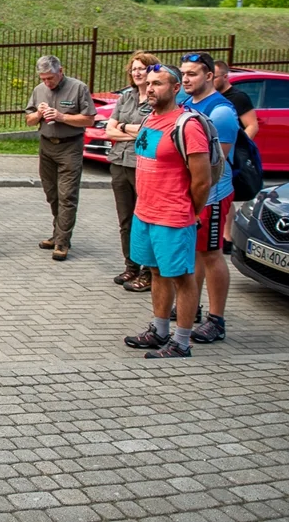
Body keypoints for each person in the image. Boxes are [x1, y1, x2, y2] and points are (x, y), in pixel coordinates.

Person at [124, 65, 211, 358]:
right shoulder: (150, 118)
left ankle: (182, 341)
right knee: (157, 272)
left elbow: (202, 180)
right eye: (148, 83)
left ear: (175, 88)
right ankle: (160, 330)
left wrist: (191, 212)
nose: (150, 88)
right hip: (145, 212)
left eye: (158, 83)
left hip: (173, 217)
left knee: (182, 277)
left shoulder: (187, 126)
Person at [180, 52, 239, 345]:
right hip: (193, 192)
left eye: (192, 74)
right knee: (195, 251)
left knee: (212, 254)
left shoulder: (221, 112)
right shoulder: (188, 104)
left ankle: (217, 320)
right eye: (184, 74)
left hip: (213, 193)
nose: (186, 79)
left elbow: (217, 162)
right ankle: (195, 308)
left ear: (209, 76)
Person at [24, 55, 96, 261]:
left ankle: (63, 241)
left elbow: (90, 119)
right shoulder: (39, 90)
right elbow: (28, 120)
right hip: (46, 146)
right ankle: (57, 233)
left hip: (70, 146)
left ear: (60, 71)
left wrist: (62, 116)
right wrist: (38, 114)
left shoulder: (78, 88)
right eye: (43, 78)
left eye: (51, 78)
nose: (47, 82)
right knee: (52, 193)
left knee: (67, 195)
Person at [103, 51, 160, 292]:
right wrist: (132, 130)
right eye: (134, 68)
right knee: (125, 219)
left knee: (145, 220)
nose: (137, 72)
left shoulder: (158, 99)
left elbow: (153, 132)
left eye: (143, 68)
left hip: (143, 167)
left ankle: (149, 272)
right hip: (119, 163)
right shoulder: (126, 98)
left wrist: (123, 129)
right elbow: (109, 130)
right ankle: (131, 265)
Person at [213, 60, 259, 256]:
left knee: (226, 193)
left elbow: (252, 125)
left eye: (213, 76)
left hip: (229, 156)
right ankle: (224, 236)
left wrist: (237, 147)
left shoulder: (238, 97)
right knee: (222, 196)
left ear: (224, 77)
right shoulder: (211, 98)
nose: (210, 80)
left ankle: (227, 238)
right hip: (215, 154)